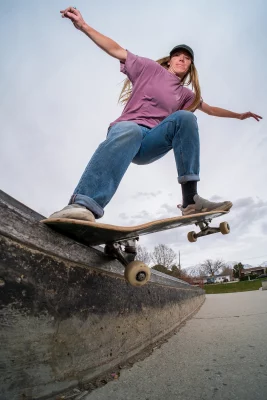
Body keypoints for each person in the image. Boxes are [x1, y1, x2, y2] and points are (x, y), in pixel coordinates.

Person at [50, 6, 262, 222]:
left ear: (190, 66)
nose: (181, 59)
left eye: (186, 58)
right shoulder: (148, 68)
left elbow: (211, 110)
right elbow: (116, 50)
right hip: (127, 131)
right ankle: (83, 204)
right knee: (131, 131)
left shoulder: (185, 95)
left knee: (186, 118)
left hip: (152, 141)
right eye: (177, 55)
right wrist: (84, 26)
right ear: (169, 60)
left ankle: (190, 201)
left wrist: (240, 115)